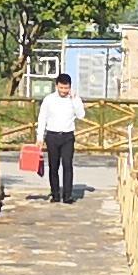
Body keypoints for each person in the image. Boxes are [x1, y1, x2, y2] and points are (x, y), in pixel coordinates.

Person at [37, 71, 84, 202]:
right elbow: (42, 118)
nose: (64, 90)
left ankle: (67, 195)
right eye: (61, 88)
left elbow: (81, 115)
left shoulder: (74, 99)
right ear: (56, 86)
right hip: (52, 135)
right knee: (54, 165)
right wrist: (40, 137)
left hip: (67, 136)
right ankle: (55, 193)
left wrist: (75, 99)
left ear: (70, 86)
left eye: (66, 88)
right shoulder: (49, 99)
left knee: (67, 165)